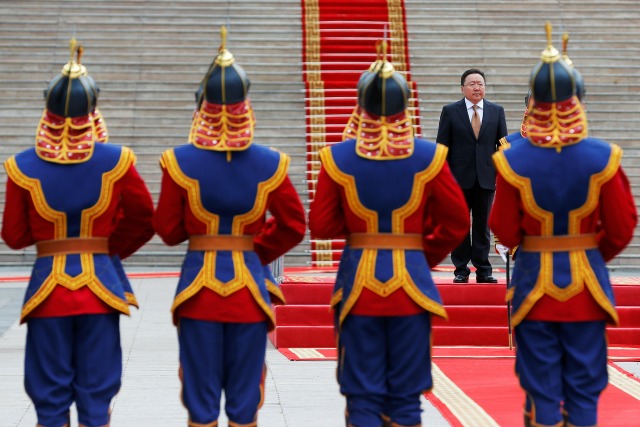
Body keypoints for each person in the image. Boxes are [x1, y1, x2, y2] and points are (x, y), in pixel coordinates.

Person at [308, 46, 469, 427]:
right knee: (406, 396)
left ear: (361, 103)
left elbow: (322, 226)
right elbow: (456, 221)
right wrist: (417, 253)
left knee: (362, 395)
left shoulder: (337, 157)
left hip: (358, 281)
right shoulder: (428, 156)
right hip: (411, 282)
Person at [153, 26, 306, 427]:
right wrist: (252, 252)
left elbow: (167, 230)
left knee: (200, 395)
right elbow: (293, 225)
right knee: (244, 395)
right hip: (248, 288)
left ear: (202, 104)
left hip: (198, 286)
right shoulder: (271, 162)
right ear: (245, 103)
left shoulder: (178, 160)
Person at [488, 23, 637, 427]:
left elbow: (501, 227)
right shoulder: (602, 156)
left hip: (535, 279)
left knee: (541, 384)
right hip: (586, 281)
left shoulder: (512, 158)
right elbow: (623, 225)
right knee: (584, 384)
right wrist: (589, 250)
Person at [0, 39, 155, 427]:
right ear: (92, 109)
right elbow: (143, 219)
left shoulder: (21, 166)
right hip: (100, 287)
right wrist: (104, 249)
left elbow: (15, 236)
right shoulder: (117, 159)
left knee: (49, 394)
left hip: (47, 289)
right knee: (96, 393)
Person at [436, 68, 508, 284]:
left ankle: (483, 269)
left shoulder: (496, 111)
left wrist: (500, 172)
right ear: (462, 88)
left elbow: (502, 145)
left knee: (482, 225)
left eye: (480, 84)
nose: (477, 87)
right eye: (472, 84)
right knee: (459, 225)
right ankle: (460, 269)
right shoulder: (450, 111)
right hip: (457, 178)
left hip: (486, 177)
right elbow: (442, 146)